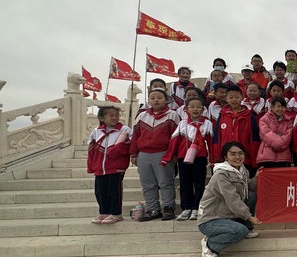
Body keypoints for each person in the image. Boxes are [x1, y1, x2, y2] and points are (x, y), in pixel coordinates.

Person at [197, 141, 261, 257]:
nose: (238, 157)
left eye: (240, 153)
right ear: (226, 157)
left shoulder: (242, 170)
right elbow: (232, 199)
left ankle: (247, 228)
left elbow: (247, 188)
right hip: (211, 220)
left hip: (229, 216)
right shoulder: (221, 175)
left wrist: (256, 178)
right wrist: (249, 216)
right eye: (233, 154)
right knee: (239, 231)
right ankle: (210, 244)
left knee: (251, 195)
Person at [162, 96, 213, 220]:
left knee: (199, 183)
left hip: (200, 157)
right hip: (183, 158)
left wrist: (213, 159)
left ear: (203, 109)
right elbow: (174, 141)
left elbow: (212, 143)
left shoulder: (207, 124)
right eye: (192, 107)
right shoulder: (182, 124)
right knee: (185, 183)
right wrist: (168, 157)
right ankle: (186, 208)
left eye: (198, 107)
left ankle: (196, 208)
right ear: (186, 109)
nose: (195, 109)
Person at [130, 89, 178, 221]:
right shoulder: (142, 116)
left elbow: (175, 137)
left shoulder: (172, 115)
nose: (156, 100)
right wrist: (133, 153)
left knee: (165, 182)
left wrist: (174, 154)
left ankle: (168, 208)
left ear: (166, 100)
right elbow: (135, 136)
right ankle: (153, 209)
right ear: (149, 101)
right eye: (152, 98)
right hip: (143, 154)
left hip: (163, 153)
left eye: (159, 98)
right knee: (147, 184)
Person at [86, 105, 132, 224]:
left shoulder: (124, 130)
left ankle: (116, 213)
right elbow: (91, 150)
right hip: (100, 168)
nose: (115, 118)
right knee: (100, 191)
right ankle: (104, 212)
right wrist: (91, 166)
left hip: (116, 166)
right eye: (111, 116)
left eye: (117, 115)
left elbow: (130, 144)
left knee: (114, 191)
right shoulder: (96, 132)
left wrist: (119, 148)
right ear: (101, 118)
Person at [212, 85, 261, 172]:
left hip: (243, 158)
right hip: (226, 159)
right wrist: (217, 156)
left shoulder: (250, 116)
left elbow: (254, 140)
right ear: (226, 99)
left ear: (242, 98)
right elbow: (217, 137)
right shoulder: (222, 115)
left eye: (237, 97)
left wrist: (254, 161)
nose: (234, 100)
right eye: (231, 97)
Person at [257, 97, 294, 168]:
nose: (280, 109)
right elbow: (266, 133)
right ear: (272, 107)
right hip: (266, 155)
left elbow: (288, 136)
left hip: (284, 156)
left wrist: (277, 141)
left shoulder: (288, 121)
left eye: (283, 107)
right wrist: (279, 141)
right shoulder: (263, 119)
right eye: (278, 106)